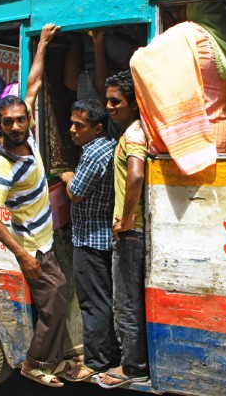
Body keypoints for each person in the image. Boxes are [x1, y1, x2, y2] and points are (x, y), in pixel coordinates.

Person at [0, 23, 75, 388]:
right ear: (0, 126)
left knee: (60, 294)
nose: (18, 126)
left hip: (45, 237)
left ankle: (57, 359)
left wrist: (43, 46)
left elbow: (33, 85)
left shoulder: (29, 134)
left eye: (21, 119)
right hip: (33, 246)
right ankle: (35, 364)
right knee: (54, 302)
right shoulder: (1, 164)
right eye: (10, 122)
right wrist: (22, 255)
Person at [130, 1, 226, 175]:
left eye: (182, 6)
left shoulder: (190, 32)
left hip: (194, 138)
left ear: (195, 8)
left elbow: (141, 60)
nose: (178, 11)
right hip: (224, 131)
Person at [58, 99, 117, 381]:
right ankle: (104, 353)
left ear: (97, 128)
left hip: (91, 239)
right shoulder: (109, 145)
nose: (71, 130)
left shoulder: (93, 153)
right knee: (103, 299)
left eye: (78, 126)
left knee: (93, 303)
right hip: (102, 236)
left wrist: (68, 176)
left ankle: (96, 362)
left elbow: (76, 193)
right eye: (71, 123)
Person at [97, 71, 149, 389]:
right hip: (132, 231)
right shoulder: (135, 130)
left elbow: (136, 176)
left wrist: (126, 219)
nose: (109, 106)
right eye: (107, 100)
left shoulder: (134, 134)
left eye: (115, 101)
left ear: (132, 103)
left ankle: (133, 367)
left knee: (126, 302)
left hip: (132, 233)